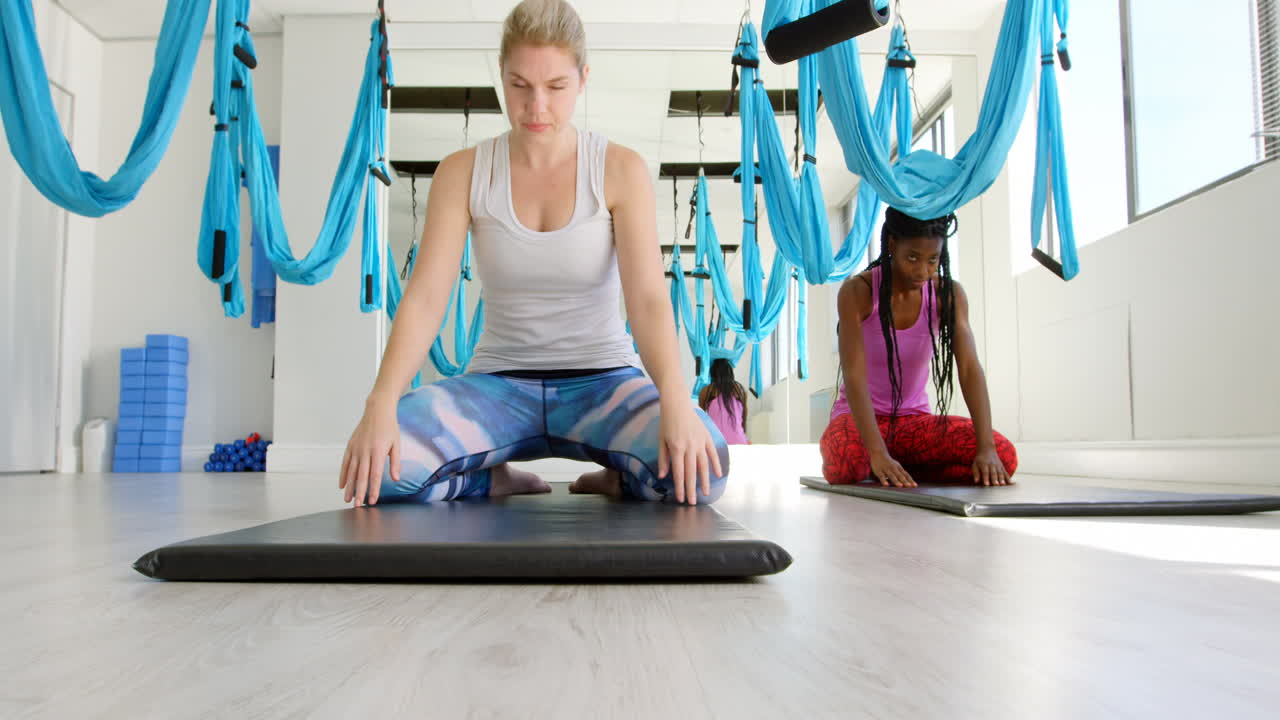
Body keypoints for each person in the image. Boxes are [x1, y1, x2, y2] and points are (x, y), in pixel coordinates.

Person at [338, 0, 727, 507]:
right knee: (383, 471)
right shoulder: (463, 172)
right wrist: (381, 400)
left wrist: (675, 399)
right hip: (498, 388)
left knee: (702, 471)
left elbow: (649, 300)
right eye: (519, 85)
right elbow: (427, 296)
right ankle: (493, 478)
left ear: (583, 79)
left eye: (555, 87)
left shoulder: (619, 169)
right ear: (501, 76)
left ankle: (618, 476)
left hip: (602, 383)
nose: (536, 106)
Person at [821, 207, 1017, 488]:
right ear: (891, 245)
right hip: (859, 421)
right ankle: (884, 462)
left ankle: (897, 467)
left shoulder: (948, 295)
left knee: (1003, 458)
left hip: (912, 424)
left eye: (932, 260)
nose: (922, 270)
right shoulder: (858, 292)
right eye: (912, 257)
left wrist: (986, 448)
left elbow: (970, 368)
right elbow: (853, 376)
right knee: (845, 463)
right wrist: (876, 451)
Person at [698, 358, 749, 445]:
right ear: (731, 373)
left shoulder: (706, 391)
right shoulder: (740, 390)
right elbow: (743, 420)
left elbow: (700, 420)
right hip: (740, 441)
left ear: (712, 374)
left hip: (716, 443)